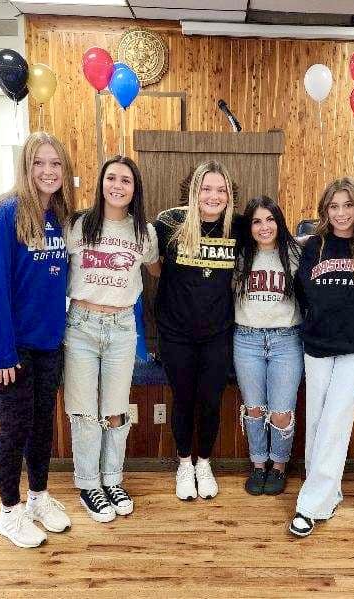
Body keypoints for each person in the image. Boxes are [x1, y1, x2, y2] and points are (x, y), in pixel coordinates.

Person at [0, 131, 74, 549]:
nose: (48, 171)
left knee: (41, 426)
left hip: (46, 344)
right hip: (6, 345)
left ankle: (38, 498)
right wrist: (2, 352)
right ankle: (9, 512)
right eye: (39, 163)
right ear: (26, 167)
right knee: (14, 428)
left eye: (56, 163)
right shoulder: (3, 213)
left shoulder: (60, 215)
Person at [289, 177, 354, 537]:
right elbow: (301, 292)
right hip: (317, 343)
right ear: (325, 210)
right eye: (334, 206)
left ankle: (309, 505)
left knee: (336, 421)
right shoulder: (312, 246)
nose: (341, 213)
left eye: (348, 206)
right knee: (317, 420)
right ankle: (327, 494)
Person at [63, 155, 160, 523]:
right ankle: (89, 484)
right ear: (101, 183)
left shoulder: (144, 233)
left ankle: (113, 479)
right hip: (82, 325)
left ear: (135, 189)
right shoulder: (77, 226)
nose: (118, 186)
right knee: (84, 410)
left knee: (116, 409)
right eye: (112, 178)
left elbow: (156, 269)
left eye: (126, 180)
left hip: (121, 326)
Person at [152, 161, 240, 501]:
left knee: (210, 401)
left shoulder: (237, 226)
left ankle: (204, 463)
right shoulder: (169, 223)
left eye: (221, 190)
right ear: (194, 191)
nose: (213, 196)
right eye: (206, 188)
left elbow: (274, 237)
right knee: (183, 399)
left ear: (229, 195)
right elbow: (150, 263)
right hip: (176, 333)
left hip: (218, 332)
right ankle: (184, 464)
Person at [233, 196, 302, 496]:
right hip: (246, 338)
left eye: (270, 219)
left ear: (279, 222)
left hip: (286, 339)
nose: (264, 227)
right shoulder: (240, 255)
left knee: (281, 412)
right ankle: (259, 464)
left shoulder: (295, 253)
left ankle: (279, 466)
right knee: (254, 410)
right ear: (249, 226)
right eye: (257, 221)